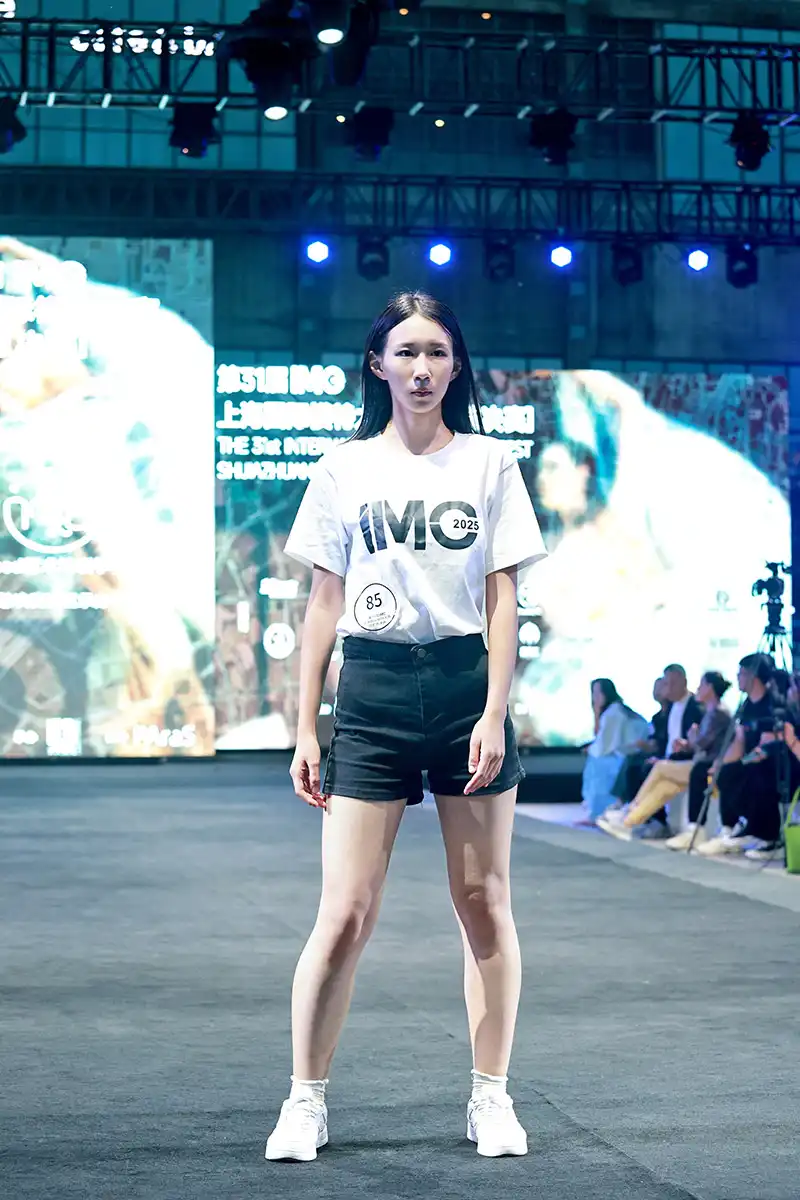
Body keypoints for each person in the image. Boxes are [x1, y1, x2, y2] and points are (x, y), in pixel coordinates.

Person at [264, 292, 547, 1163]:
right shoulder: (343, 469)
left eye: (436, 352)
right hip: (375, 691)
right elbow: (324, 603)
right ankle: (304, 1102)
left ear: (456, 366)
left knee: (484, 902)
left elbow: (503, 599)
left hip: (464, 686)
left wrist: (494, 710)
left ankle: (491, 1096)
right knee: (345, 911)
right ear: (378, 364)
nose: (421, 368)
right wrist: (307, 727)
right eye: (406, 352)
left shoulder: (490, 463)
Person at [597, 671, 733, 842]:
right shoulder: (710, 712)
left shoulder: (718, 714)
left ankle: (630, 810)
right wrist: (688, 742)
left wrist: (691, 740)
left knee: (660, 767)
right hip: (697, 764)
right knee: (665, 786)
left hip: (705, 767)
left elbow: (703, 745)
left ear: (710, 688)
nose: (698, 688)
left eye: (702, 685)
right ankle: (628, 822)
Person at [609, 665, 704, 837]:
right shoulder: (671, 709)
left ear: (684, 682)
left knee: (654, 770)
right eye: (666, 683)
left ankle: (633, 815)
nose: (668, 688)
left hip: (686, 761)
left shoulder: (696, 708)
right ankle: (632, 818)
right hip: (671, 757)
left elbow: (697, 743)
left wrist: (679, 749)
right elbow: (665, 739)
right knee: (639, 768)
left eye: (673, 683)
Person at [697, 654, 777, 857]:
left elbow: (766, 745)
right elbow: (739, 741)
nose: (738, 678)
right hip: (749, 760)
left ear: (753, 676)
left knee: (751, 773)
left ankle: (766, 836)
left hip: (768, 763)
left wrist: (742, 762)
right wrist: (720, 762)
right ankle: (730, 827)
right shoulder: (746, 706)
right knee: (723, 772)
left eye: (741, 673)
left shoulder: (771, 705)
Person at [578, 678, 650, 825]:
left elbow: (605, 745)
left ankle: (598, 813)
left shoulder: (614, 713)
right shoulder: (611, 711)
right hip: (619, 752)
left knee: (597, 764)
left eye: (598, 693)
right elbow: (601, 738)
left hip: (622, 754)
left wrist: (593, 748)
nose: (595, 698)